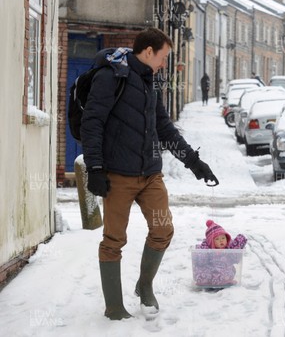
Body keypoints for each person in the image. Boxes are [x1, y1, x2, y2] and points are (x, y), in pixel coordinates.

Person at [81, 27, 220, 320]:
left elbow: (165, 129)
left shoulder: (149, 82)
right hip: (117, 175)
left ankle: (144, 286)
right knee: (114, 240)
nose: (164, 63)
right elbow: (92, 123)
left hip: (150, 175)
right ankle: (115, 307)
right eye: (163, 56)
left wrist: (194, 163)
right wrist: (94, 168)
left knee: (162, 230)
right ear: (148, 52)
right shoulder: (111, 78)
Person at [193, 220, 247, 288]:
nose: (221, 240)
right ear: (211, 242)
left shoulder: (229, 248)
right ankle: (208, 282)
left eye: (223, 238)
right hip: (211, 269)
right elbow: (201, 262)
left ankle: (225, 281)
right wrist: (204, 253)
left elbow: (235, 258)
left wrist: (237, 245)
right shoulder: (207, 249)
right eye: (217, 239)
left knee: (228, 273)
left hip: (225, 269)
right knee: (202, 273)